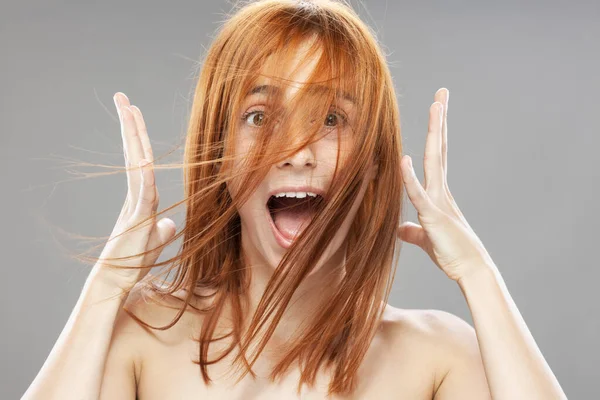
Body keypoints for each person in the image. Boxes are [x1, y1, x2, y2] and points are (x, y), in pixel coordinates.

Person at [23, 0, 567, 399]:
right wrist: (105, 290)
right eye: (260, 116)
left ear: (371, 160)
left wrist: (478, 274)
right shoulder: (143, 333)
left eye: (331, 119)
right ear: (220, 157)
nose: (297, 150)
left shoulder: (437, 357)